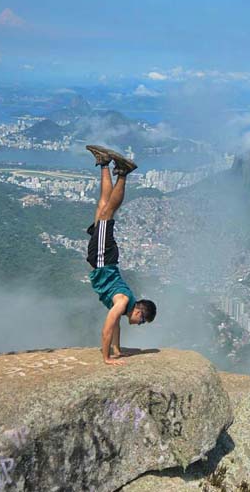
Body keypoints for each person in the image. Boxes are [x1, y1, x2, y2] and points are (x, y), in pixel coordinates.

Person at [85, 144, 157, 365]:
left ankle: (105, 163)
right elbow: (108, 326)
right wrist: (107, 358)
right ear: (139, 312)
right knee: (107, 212)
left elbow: (115, 325)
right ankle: (123, 173)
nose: (139, 324)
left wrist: (117, 348)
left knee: (102, 208)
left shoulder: (125, 305)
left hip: (104, 258)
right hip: (102, 259)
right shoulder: (124, 301)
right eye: (143, 321)